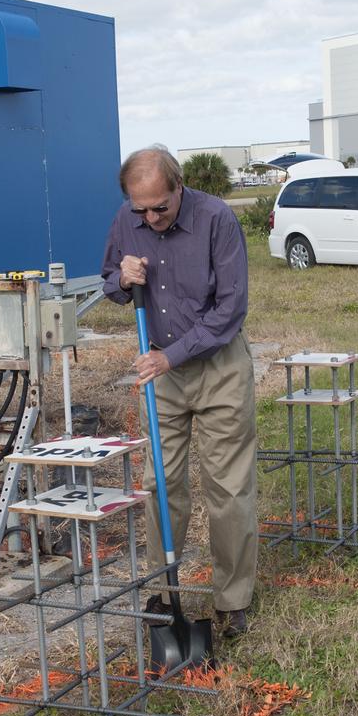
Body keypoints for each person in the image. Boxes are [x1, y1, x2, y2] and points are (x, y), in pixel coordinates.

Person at [100, 145, 257, 638]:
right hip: (161, 372)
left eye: (159, 208)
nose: (149, 217)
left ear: (179, 187)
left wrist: (172, 356)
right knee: (161, 485)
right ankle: (162, 593)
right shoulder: (127, 219)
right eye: (140, 209)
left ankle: (232, 601)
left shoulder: (217, 220)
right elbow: (108, 278)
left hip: (218, 366)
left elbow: (230, 309)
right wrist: (121, 281)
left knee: (226, 489)